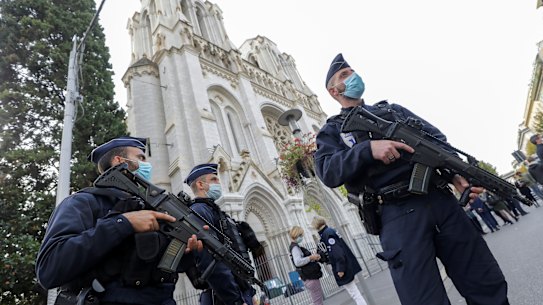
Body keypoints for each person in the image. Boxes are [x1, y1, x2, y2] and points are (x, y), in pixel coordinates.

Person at [313, 53, 509, 305]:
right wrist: (367, 150)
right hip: (396, 214)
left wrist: (456, 175)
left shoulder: (392, 111)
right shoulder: (333, 130)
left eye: (352, 71)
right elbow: (328, 171)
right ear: (333, 91)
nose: (352, 77)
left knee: (485, 283)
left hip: (441, 201)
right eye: (344, 75)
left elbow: (437, 141)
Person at [35, 136, 197, 305]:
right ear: (120, 162)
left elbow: (158, 270)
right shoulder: (83, 202)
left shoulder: (149, 211)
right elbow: (49, 268)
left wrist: (188, 252)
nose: (147, 164)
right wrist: (123, 223)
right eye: (141, 157)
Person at [182, 163, 256, 305]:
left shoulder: (214, 211)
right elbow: (211, 262)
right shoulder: (199, 211)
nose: (219, 183)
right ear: (200, 184)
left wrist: (249, 291)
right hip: (223, 295)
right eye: (214, 179)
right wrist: (236, 301)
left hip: (238, 289)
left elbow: (233, 257)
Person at [311, 216, 368, 305]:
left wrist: (340, 269)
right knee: (354, 292)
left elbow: (338, 253)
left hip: (343, 266)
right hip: (344, 264)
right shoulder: (329, 231)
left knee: (354, 293)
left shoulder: (327, 233)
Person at [288, 226, 324, 305]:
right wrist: (310, 257)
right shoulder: (295, 248)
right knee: (318, 301)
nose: (302, 237)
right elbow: (298, 262)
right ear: (297, 234)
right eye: (301, 235)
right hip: (310, 277)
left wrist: (312, 258)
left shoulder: (296, 247)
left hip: (308, 277)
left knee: (317, 299)